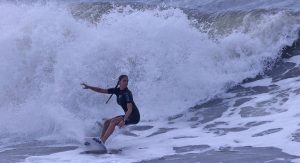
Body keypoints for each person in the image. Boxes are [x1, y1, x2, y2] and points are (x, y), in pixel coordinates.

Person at [81, 75, 140, 144]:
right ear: (119, 82)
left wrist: (124, 120)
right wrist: (89, 87)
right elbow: (101, 90)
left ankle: (102, 141)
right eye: (124, 80)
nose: (126, 82)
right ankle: (100, 140)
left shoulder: (127, 93)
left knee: (113, 121)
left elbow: (130, 109)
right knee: (107, 122)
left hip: (134, 117)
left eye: (127, 81)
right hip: (128, 115)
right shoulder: (117, 90)